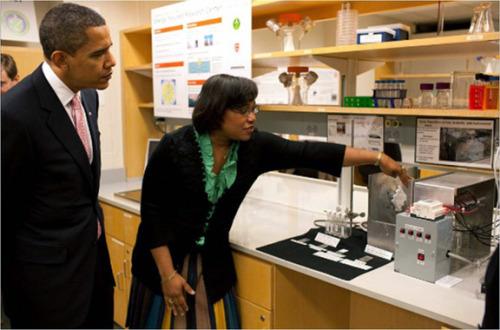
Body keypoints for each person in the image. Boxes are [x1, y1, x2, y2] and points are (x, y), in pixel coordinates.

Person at [126, 74, 411, 328]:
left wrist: (378, 158)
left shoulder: (254, 147)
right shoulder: (174, 147)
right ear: (215, 112)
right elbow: (153, 214)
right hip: (161, 265)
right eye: (242, 110)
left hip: (212, 265)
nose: (252, 117)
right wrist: (167, 276)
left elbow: (309, 152)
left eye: (254, 109)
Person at [1, 3, 116, 328]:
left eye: (110, 48)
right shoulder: (12, 114)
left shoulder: (89, 96)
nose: (111, 62)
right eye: (98, 54)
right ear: (60, 59)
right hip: (46, 290)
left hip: (93, 271)